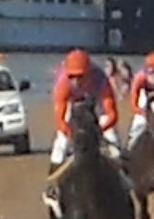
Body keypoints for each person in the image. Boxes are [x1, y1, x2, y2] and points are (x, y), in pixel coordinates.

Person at [44, 47, 119, 192]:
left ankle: (124, 179)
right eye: (72, 77)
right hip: (71, 104)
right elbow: (60, 119)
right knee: (61, 143)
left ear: (89, 73)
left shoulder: (101, 79)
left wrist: (98, 131)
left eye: (80, 76)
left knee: (113, 138)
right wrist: (74, 134)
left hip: (95, 102)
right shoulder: (63, 83)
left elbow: (112, 114)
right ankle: (52, 187)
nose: (76, 81)